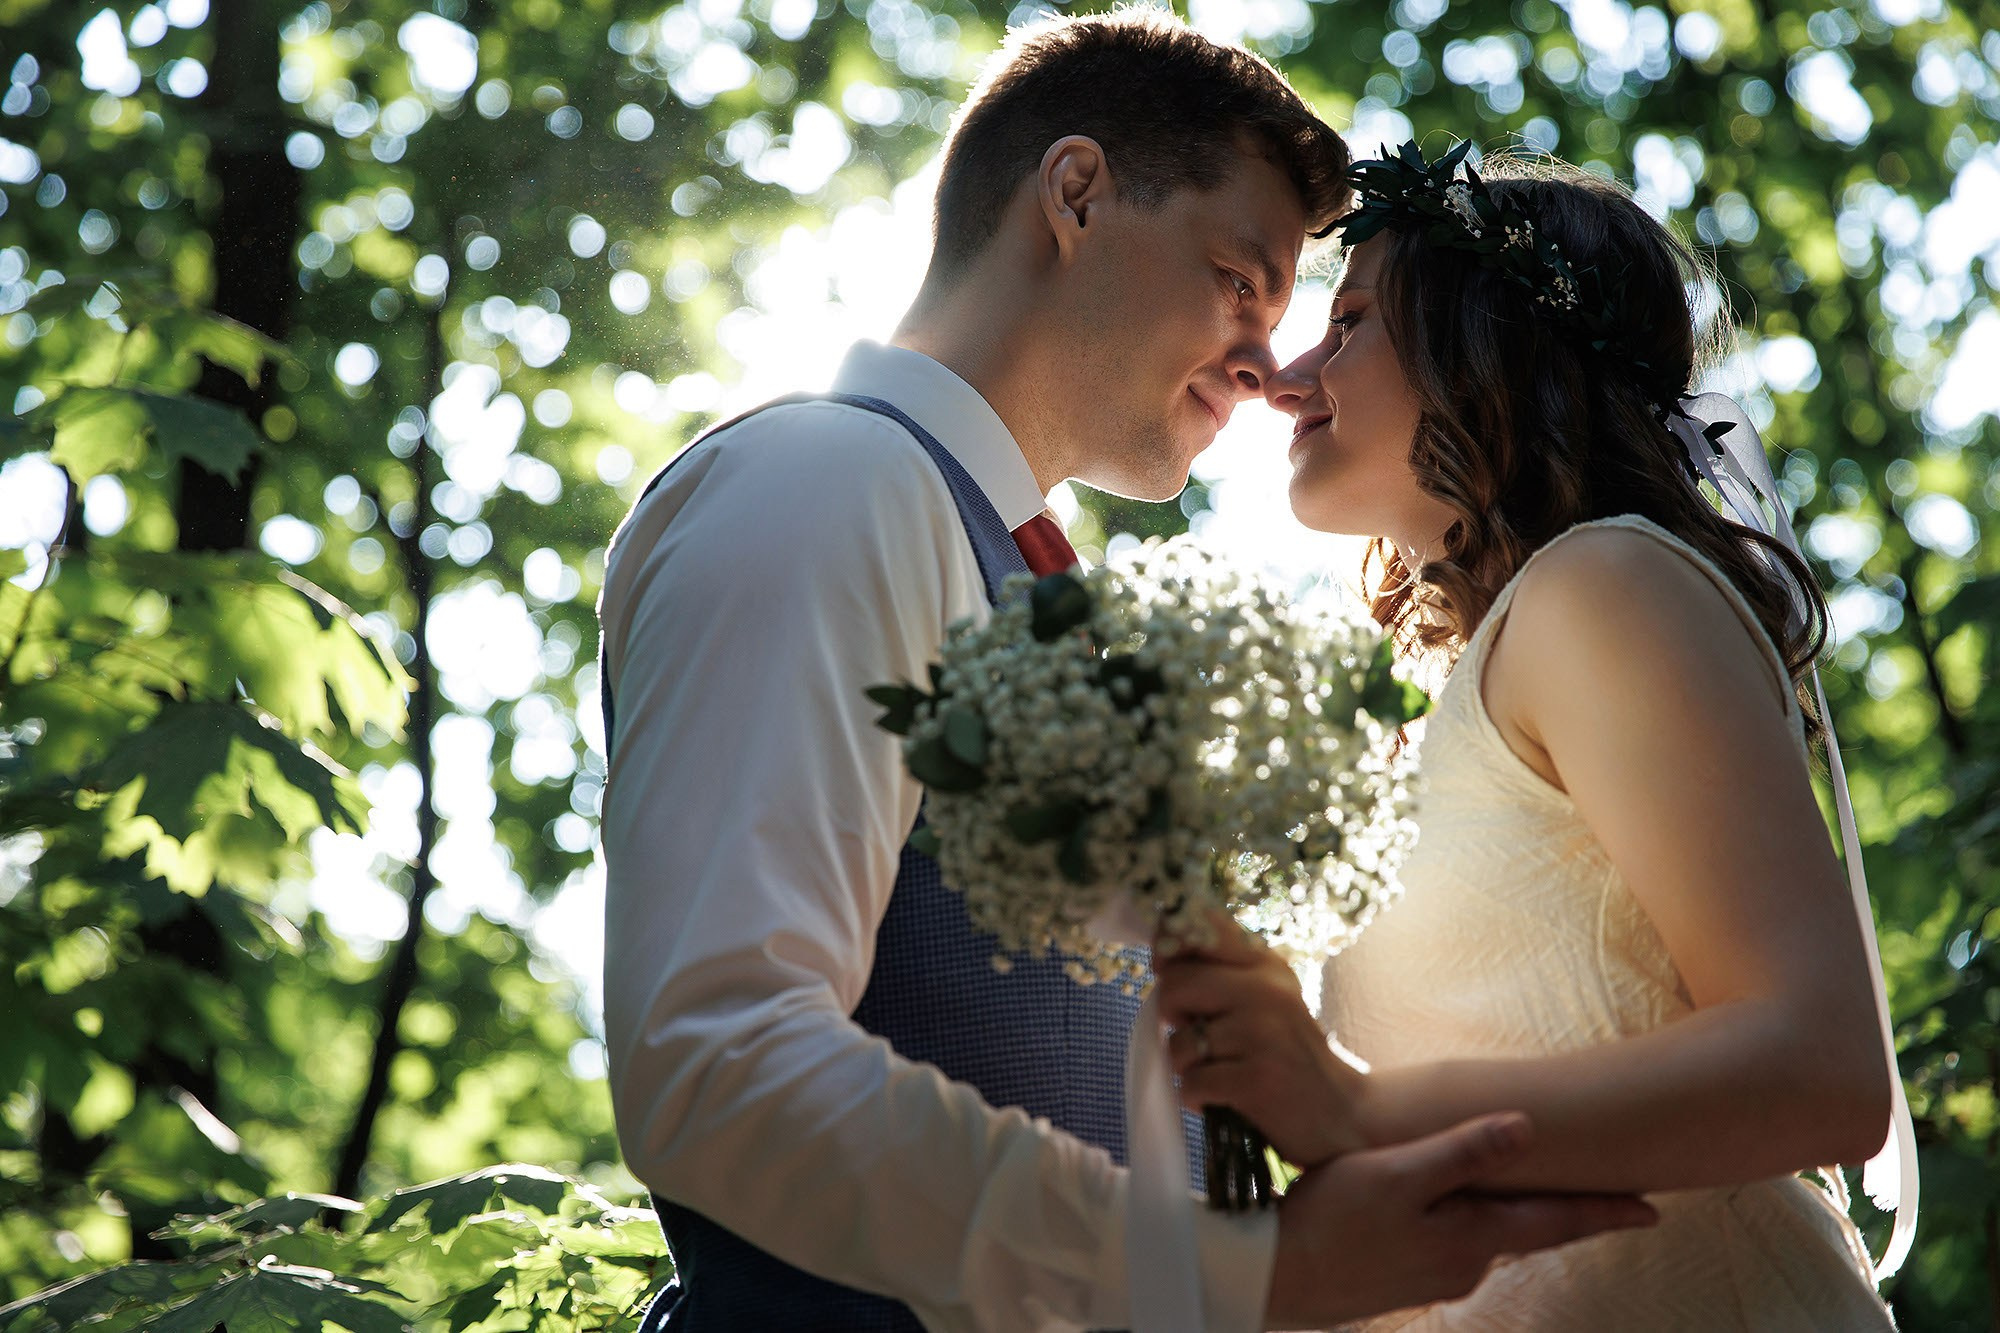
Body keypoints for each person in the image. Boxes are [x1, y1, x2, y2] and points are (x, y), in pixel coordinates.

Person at [598, 17, 1652, 1331]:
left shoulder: (1030, 589)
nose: (1269, 366)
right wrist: (1241, 1275)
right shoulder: (828, 481)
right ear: (1078, 194)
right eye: (1237, 279)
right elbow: (720, 1061)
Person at [1155, 144, 1915, 1328]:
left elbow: (1815, 1069)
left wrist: (1351, 1110)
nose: (1286, 379)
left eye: (1347, 322)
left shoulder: (1600, 585)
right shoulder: (1479, 682)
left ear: (1480, 340)